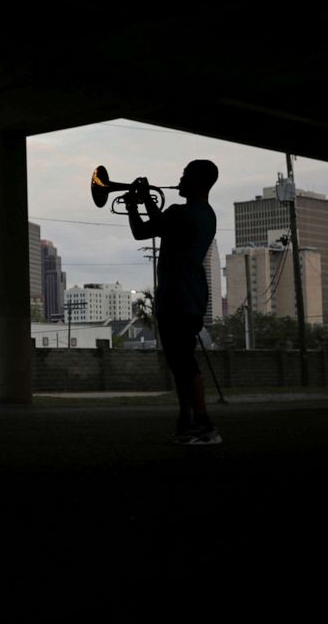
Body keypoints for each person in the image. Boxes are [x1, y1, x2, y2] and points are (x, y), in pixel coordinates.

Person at [125, 160, 221, 445]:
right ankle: (187, 422)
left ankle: (202, 422)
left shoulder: (184, 213)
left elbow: (143, 231)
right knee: (180, 362)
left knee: (184, 362)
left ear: (195, 181)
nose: (179, 180)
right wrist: (144, 202)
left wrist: (135, 203)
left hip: (178, 296)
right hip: (189, 295)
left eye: (184, 176)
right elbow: (162, 226)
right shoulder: (206, 214)